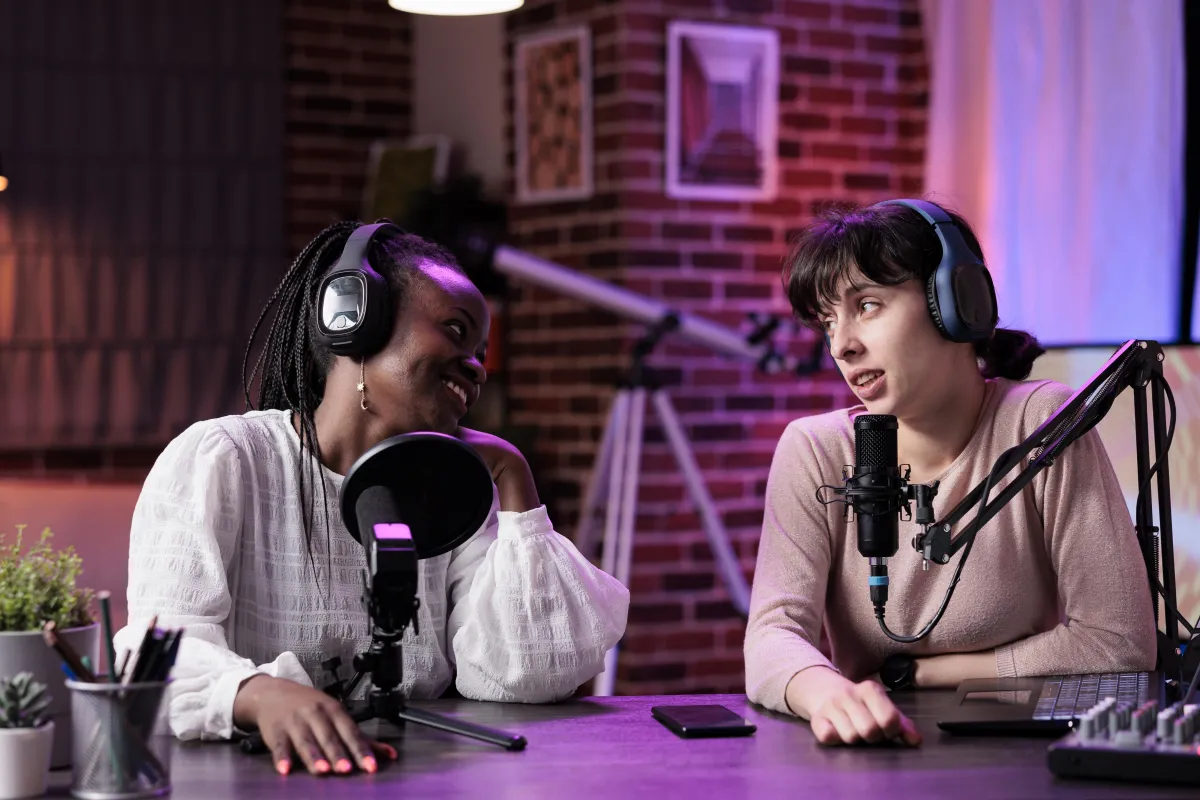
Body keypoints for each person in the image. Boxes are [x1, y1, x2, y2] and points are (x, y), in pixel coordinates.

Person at [114, 222, 630, 776]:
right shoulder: (224, 459)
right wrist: (257, 694)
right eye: (455, 330)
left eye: (480, 351)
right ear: (356, 320)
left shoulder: (452, 493)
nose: (477, 366)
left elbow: (527, 674)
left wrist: (511, 472)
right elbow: (155, 658)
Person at [743, 199, 1156, 747]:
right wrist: (824, 693)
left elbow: (1119, 640)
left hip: (1020, 753)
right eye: (828, 322)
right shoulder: (816, 450)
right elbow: (771, 636)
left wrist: (917, 673)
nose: (842, 345)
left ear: (954, 302)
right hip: (876, 748)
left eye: (867, 305)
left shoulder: (1039, 424)